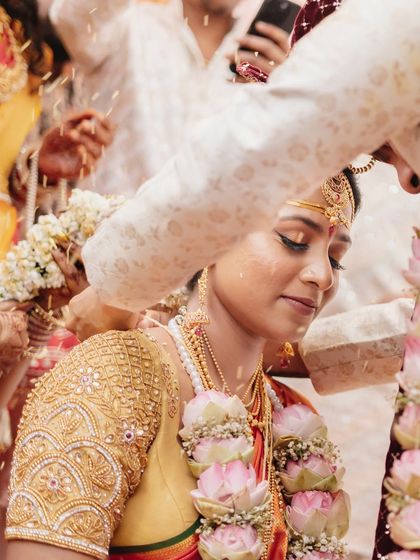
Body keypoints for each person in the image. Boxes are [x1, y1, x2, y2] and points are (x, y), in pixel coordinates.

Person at [6, 168, 359, 560]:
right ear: (212, 233)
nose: (323, 275)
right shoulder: (118, 375)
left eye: (336, 258)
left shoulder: (290, 415)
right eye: (293, 241)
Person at [47, 0, 296, 197]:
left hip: (202, 253)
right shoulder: (127, 20)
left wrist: (284, 94)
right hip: (97, 240)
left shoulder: (265, 60)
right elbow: (71, 19)